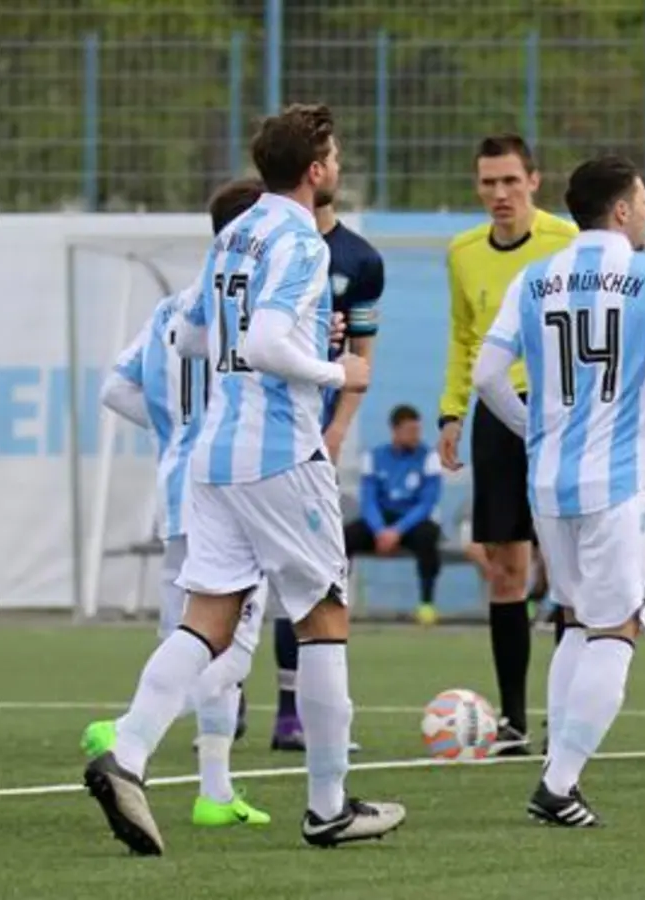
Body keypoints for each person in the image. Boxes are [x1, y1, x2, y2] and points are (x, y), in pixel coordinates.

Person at [81, 104, 403, 854]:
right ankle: (328, 806)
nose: (340, 163)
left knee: (207, 617)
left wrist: (274, 339)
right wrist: (336, 368)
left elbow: (194, 334)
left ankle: (127, 751)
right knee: (323, 612)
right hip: (279, 450)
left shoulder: (234, 233)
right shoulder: (299, 240)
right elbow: (261, 344)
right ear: (317, 169)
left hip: (211, 456)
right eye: (336, 153)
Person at [472, 154, 645, 827]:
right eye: (643, 200)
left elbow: (488, 375)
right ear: (619, 210)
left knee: (576, 619)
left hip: (549, 483)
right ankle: (559, 784)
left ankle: (558, 764)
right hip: (617, 486)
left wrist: (536, 429)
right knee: (617, 628)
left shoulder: (534, 277)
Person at [81, 177, 272, 830]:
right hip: (233, 489)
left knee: (192, 637)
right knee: (232, 652)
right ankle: (125, 731)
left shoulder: (172, 310)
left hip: (177, 491)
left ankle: (214, 791)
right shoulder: (247, 304)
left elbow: (114, 389)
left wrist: (171, 430)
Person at [437, 134, 578, 755]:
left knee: (570, 571)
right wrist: (452, 412)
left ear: (534, 182)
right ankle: (516, 722)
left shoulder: (568, 243)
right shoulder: (463, 253)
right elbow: (464, 338)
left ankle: (569, 716)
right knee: (506, 571)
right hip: (497, 416)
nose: (499, 194)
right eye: (488, 182)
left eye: (510, 182)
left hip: (562, 414)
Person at [269, 194, 384, 752]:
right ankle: (236, 701)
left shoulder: (359, 260)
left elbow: (362, 355)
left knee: (308, 577)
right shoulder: (274, 243)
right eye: (329, 154)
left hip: (308, 433)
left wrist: (337, 429)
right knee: (299, 581)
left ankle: (292, 714)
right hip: (270, 435)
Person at [343, 404, 442, 621]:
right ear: (395, 430)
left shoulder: (429, 458)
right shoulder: (374, 457)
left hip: (411, 523)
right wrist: (380, 530)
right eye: (410, 431)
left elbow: (427, 503)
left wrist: (397, 531)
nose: (415, 436)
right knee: (345, 537)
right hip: (382, 522)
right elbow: (368, 500)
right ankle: (338, 600)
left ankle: (426, 605)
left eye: (418, 430)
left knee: (429, 536)